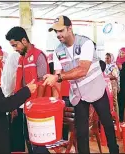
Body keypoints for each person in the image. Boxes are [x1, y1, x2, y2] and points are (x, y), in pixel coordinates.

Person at [44, 15, 119, 154]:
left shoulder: (86, 43)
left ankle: (114, 150)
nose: (58, 35)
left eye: (61, 30)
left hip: (96, 90)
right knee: (81, 132)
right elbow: (57, 76)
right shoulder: (58, 51)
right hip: (78, 95)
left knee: (107, 124)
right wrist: (55, 101)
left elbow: (82, 70)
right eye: (56, 32)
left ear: (70, 28)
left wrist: (58, 77)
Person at [5, 26, 51, 154]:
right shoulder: (21, 58)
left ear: (24, 40)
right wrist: (14, 104)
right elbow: (19, 83)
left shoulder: (38, 56)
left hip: (37, 108)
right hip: (24, 106)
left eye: (15, 45)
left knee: (38, 142)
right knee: (28, 139)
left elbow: (43, 82)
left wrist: (37, 106)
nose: (14, 49)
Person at [116, 47, 125, 122]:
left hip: (122, 84)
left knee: (121, 100)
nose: (121, 54)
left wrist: (121, 68)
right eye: (120, 53)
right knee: (116, 100)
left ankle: (121, 118)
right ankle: (116, 117)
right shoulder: (116, 61)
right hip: (115, 83)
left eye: (123, 53)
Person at [104, 53, 120, 119]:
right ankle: (109, 118)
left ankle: (116, 118)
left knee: (114, 100)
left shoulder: (114, 66)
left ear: (111, 58)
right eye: (105, 58)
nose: (106, 59)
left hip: (113, 84)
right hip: (106, 85)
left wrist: (106, 76)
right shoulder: (104, 66)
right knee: (107, 101)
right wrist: (108, 76)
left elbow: (114, 76)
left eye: (108, 58)